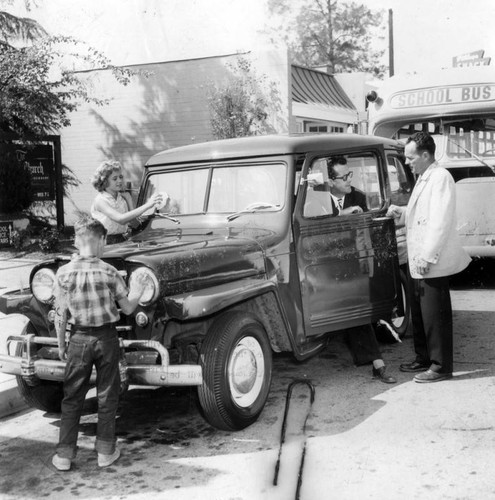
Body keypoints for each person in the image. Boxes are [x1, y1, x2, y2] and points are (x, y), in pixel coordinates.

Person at [51, 216, 148, 471]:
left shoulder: (63, 273)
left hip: (78, 339)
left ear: (75, 241)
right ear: (102, 241)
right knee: (107, 395)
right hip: (106, 338)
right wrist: (137, 289)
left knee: (72, 397)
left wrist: (62, 345)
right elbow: (127, 306)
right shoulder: (109, 271)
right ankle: (106, 452)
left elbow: (60, 315)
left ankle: (63, 455)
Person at [387, 131, 471, 383]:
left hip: (429, 260)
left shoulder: (440, 177)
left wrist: (427, 256)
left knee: (435, 315)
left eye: (411, 158)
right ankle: (424, 358)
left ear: (425, 155)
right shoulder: (425, 177)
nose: (408, 162)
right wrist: (401, 212)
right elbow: (421, 213)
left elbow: (440, 221)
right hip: (419, 260)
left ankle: (441, 366)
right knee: (422, 313)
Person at [90, 160, 163, 243]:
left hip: (122, 240)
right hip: (104, 243)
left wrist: (129, 200)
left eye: (121, 177)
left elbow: (135, 224)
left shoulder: (122, 198)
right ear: (105, 181)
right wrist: (148, 205)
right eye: (115, 178)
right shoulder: (100, 200)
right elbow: (121, 219)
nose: (120, 181)